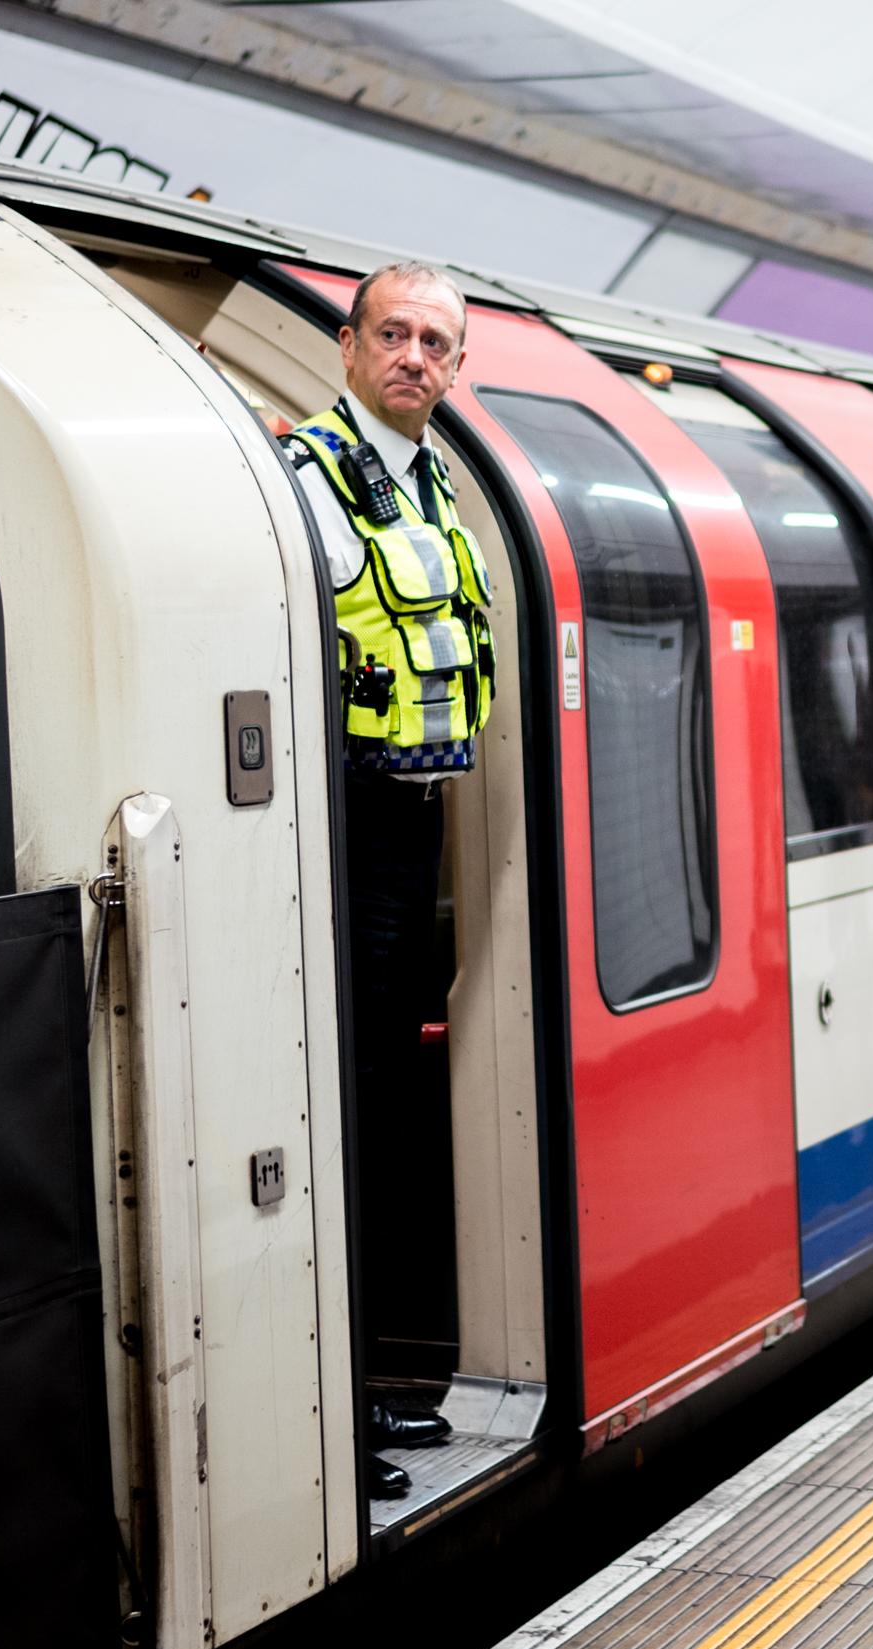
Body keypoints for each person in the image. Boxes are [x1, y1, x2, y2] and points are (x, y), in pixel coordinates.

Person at [283, 261, 496, 1503]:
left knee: (380, 1120)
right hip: (340, 830)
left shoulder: (428, 489)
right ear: (350, 347)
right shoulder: (309, 480)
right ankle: (326, 1410)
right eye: (393, 334)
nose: (414, 356)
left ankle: (363, 1383)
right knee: (341, 1118)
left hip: (410, 836)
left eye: (436, 342)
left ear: (455, 368)